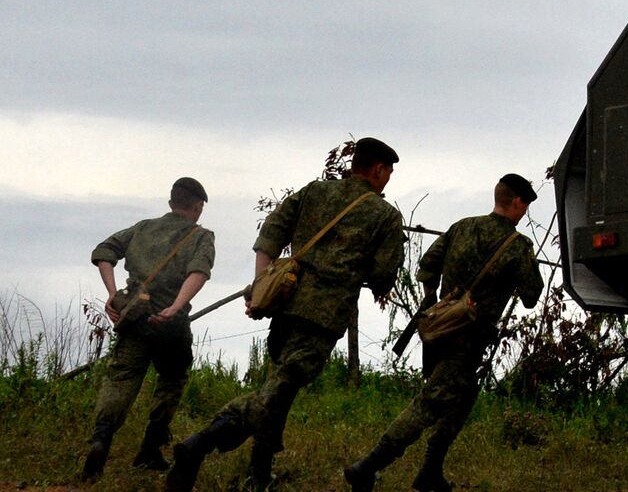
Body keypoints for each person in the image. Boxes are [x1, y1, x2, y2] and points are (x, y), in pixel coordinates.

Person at [166, 138, 405, 491]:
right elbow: (384, 276)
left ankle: (259, 477)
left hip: (286, 305)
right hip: (322, 318)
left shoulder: (314, 192)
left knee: (278, 392)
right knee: (273, 396)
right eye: (389, 173)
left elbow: (270, 233)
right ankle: (199, 443)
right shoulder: (385, 215)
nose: (388, 180)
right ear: (379, 170)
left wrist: (262, 281)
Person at [345, 173, 542, 492]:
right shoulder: (517, 246)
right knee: (429, 403)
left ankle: (430, 472)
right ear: (517, 202)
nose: (525, 212)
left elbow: (427, 264)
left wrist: (433, 299)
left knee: (463, 398)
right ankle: (367, 466)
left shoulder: (462, 226)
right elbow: (532, 296)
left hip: (439, 331)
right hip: (470, 338)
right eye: (525, 206)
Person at [80, 177, 215, 481]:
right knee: (172, 381)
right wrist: (175, 307)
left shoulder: (142, 228)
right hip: (171, 324)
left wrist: (113, 294)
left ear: (170, 204)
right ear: (196, 207)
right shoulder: (201, 236)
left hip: (135, 319)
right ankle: (150, 450)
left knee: (121, 378)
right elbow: (199, 273)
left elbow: (104, 251)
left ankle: (102, 438)